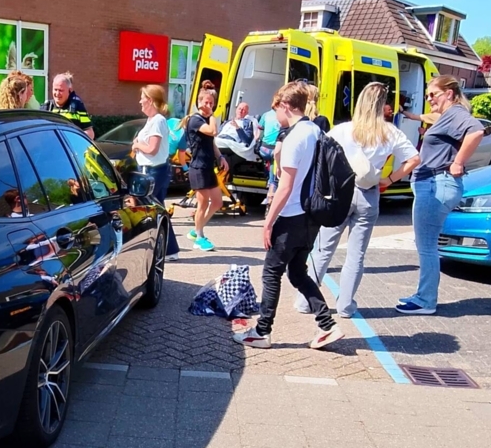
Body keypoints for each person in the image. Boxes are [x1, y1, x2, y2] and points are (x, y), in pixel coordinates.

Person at [294, 82, 421, 318]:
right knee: (356, 254)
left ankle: (305, 300)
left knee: (323, 248)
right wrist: (390, 179)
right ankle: (345, 305)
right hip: (369, 193)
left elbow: (319, 152)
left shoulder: (343, 130)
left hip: (339, 193)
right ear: (383, 106)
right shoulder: (390, 133)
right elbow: (414, 159)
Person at [234, 81, 344, 351]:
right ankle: (327, 325)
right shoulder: (316, 130)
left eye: (276, 110)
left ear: (285, 106)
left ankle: (262, 331)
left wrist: (268, 221)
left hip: (292, 214)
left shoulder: (295, 136)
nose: (274, 117)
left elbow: (286, 184)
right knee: (297, 272)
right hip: (312, 216)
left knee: (272, 272)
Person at [397, 75, 484, 315]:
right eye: (427, 95)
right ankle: (424, 295)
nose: (429, 99)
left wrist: (458, 162)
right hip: (435, 182)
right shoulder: (448, 116)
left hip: (437, 183)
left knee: (426, 245)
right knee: (427, 244)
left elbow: (476, 131)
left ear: (449, 93)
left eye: (433, 94)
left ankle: (426, 301)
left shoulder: (456, 112)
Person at [131, 84, 181, 261]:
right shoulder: (152, 120)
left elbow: (152, 149)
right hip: (151, 170)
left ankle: (164, 249)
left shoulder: (158, 120)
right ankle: (170, 250)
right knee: (157, 208)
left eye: (143, 97)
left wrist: (137, 145)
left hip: (152, 171)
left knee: (149, 209)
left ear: (150, 100)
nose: (140, 101)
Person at [184, 81, 228, 252]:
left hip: (209, 166)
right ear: (199, 101)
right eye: (206, 102)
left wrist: (221, 157)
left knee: (217, 202)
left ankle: (197, 229)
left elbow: (212, 142)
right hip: (198, 167)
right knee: (202, 204)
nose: (208, 105)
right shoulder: (195, 120)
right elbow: (212, 131)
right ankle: (199, 236)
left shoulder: (206, 119)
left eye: (211, 103)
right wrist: (212, 116)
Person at [41, 73, 94, 138]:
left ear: (69, 90)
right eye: (55, 89)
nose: (57, 93)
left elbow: (90, 132)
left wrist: (75, 140)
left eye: (61, 90)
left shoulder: (77, 107)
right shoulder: (47, 108)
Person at [258, 106, 282, 205]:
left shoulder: (266, 114)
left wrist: (256, 141)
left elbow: (259, 130)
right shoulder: (283, 115)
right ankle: (271, 190)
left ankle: (268, 179)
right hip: (274, 149)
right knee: (274, 163)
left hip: (263, 148)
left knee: (270, 160)